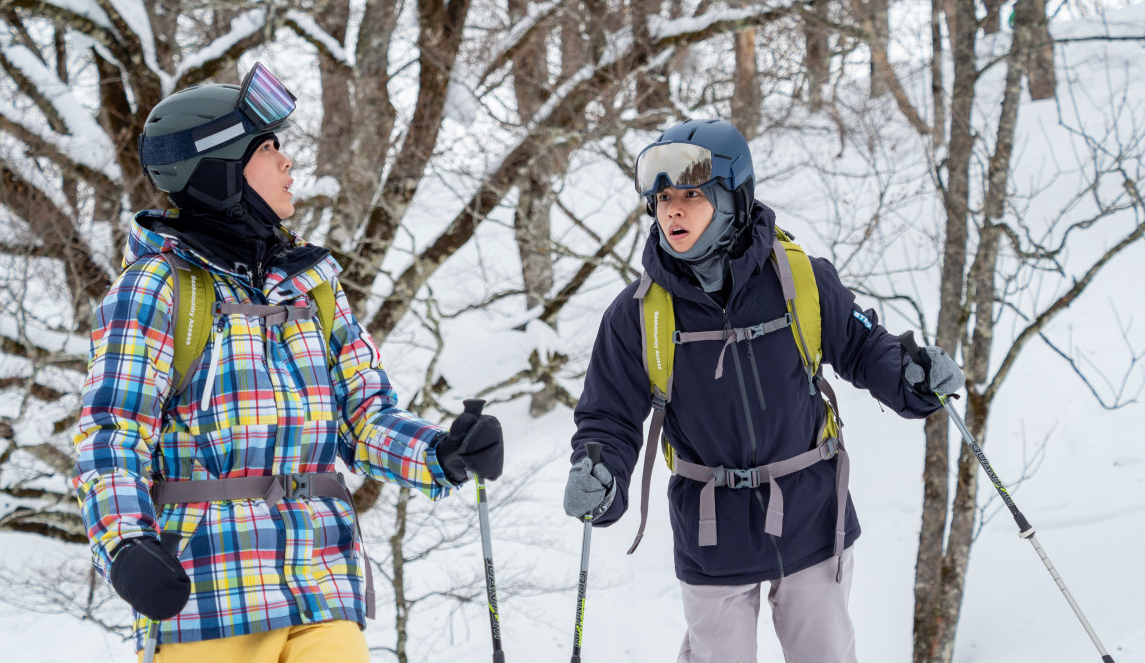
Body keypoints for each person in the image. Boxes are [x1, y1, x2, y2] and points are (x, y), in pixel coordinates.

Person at [72, 63, 503, 662]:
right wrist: (124, 544)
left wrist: (441, 452)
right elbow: (113, 431)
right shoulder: (158, 287)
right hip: (211, 593)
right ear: (219, 169)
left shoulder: (311, 287)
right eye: (267, 149)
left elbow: (363, 419)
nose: (287, 163)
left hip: (320, 585)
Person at [561, 118, 963, 663]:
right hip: (711, 530)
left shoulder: (800, 280)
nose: (673, 211)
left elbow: (865, 347)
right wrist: (600, 472)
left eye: (692, 196)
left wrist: (911, 378)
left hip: (810, 513)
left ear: (734, 199)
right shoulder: (638, 314)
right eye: (663, 199)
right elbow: (608, 416)